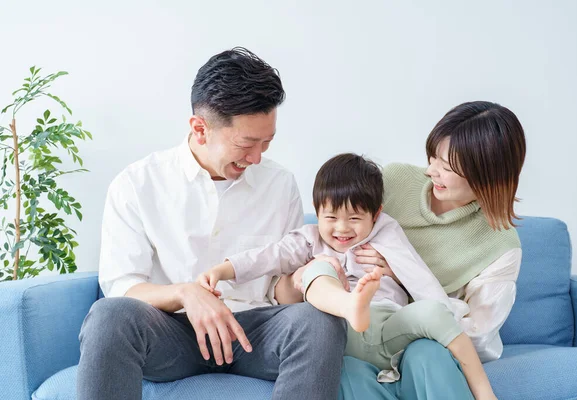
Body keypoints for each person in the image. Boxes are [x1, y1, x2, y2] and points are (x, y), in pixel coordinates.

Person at [77, 47, 348, 400]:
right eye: (247, 143)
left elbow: (281, 290)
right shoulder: (137, 184)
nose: (257, 157)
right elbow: (124, 285)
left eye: (267, 142)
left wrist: (302, 281)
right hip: (172, 332)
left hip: (254, 331)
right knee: (108, 317)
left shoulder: (280, 184)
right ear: (200, 129)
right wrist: (186, 293)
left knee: (321, 322)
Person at [275, 101, 526, 400]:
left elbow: (478, 338)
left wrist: (401, 276)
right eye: (432, 157)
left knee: (427, 356)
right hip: (360, 333)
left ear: (488, 175)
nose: (432, 171)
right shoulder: (394, 182)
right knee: (341, 367)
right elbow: (330, 237)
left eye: (446, 168)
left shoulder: (501, 246)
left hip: (424, 340)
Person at [198, 153, 498, 399]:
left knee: (434, 311)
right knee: (320, 267)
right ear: (317, 212)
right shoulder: (309, 239)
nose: (341, 229)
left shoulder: (386, 232)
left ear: (376, 214)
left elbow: (419, 278)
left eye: (354, 218)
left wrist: (438, 312)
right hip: (341, 333)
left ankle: (484, 393)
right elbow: (268, 255)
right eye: (331, 218)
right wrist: (223, 269)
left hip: (389, 326)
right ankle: (349, 304)